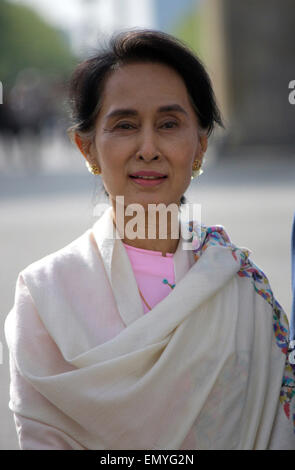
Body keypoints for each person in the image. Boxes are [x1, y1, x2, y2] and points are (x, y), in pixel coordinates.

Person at [4, 29, 295, 450]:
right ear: (86, 148)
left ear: (199, 146)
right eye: (124, 125)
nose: (148, 147)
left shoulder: (243, 290)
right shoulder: (45, 295)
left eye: (169, 124)